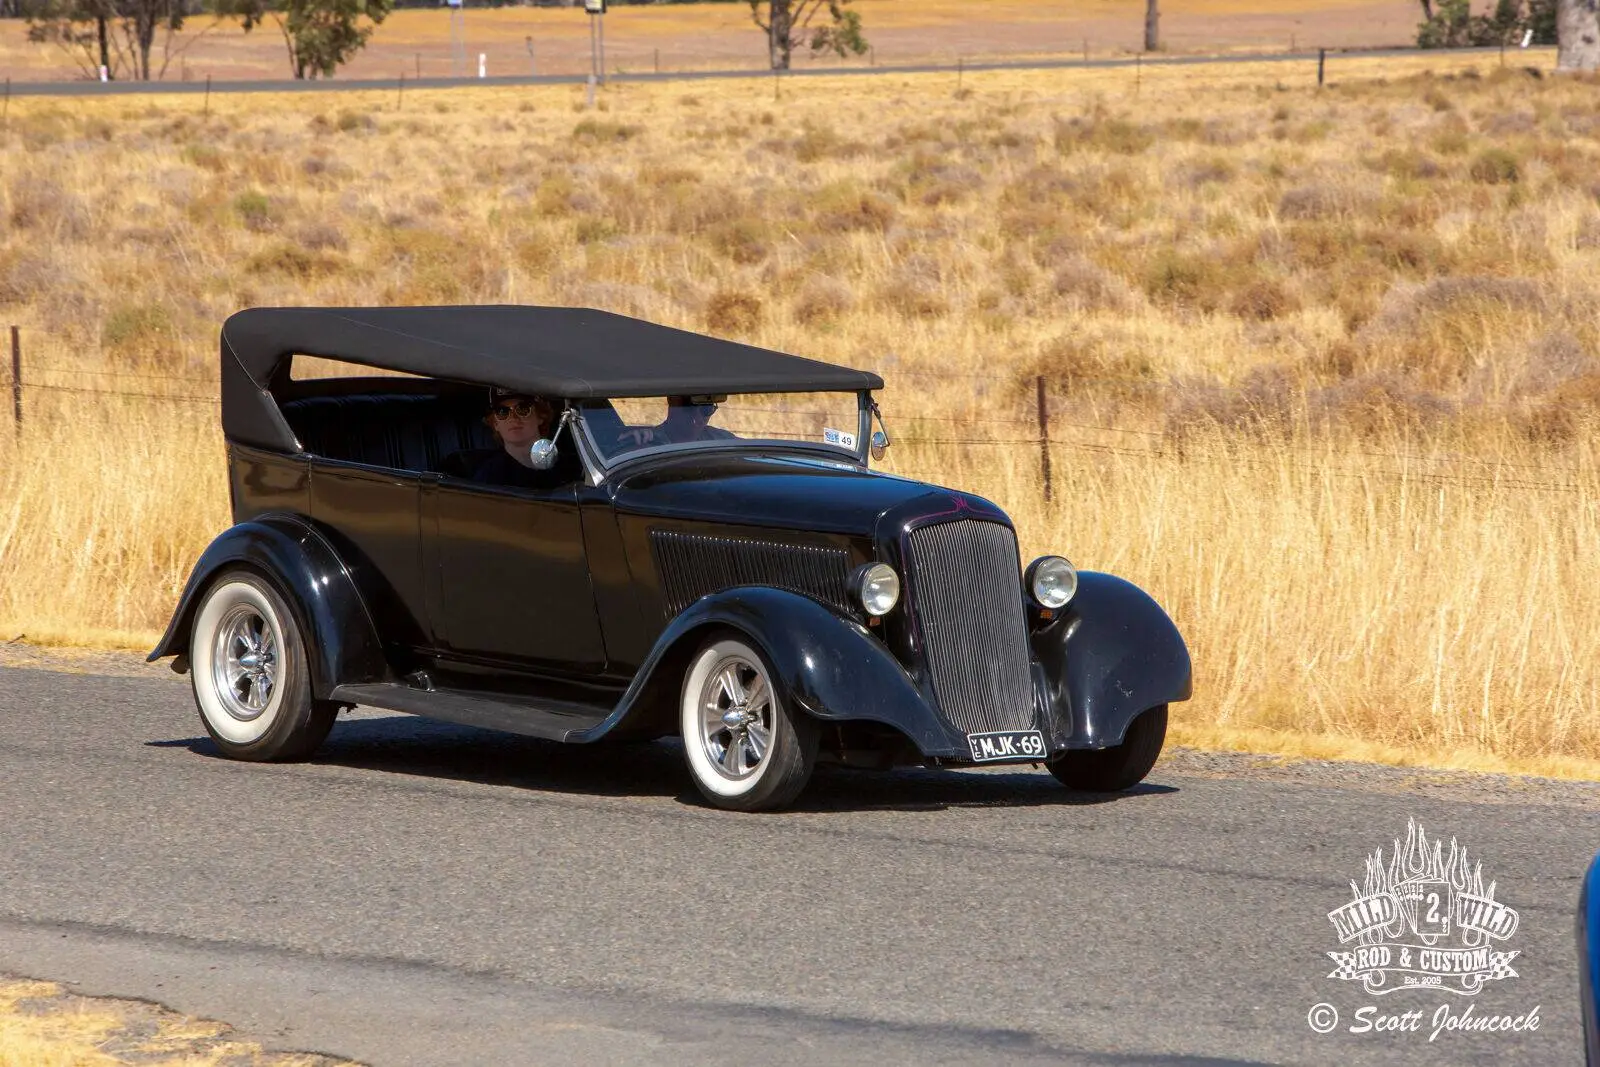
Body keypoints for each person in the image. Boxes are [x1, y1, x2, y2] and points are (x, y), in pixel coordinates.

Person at [472, 389, 571, 488]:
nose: (513, 418)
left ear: (540, 416)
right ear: (495, 423)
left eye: (523, 409)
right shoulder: (489, 475)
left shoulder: (570, 466)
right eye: (502, 412)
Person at [617, 395, 736, 449]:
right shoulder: (647, 442)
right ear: (672, 402)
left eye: (706, 409)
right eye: (689, 408)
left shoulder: (721, 440)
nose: (696, 418)